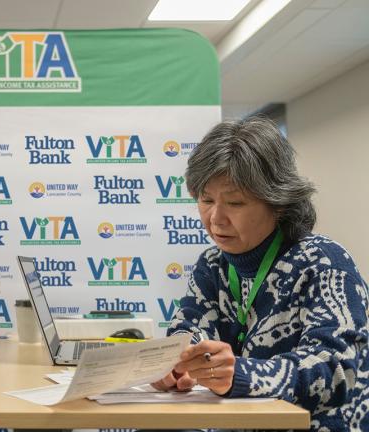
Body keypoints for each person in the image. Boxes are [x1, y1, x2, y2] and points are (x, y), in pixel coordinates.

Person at [152, 117, 369, 431]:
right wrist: (173, 366)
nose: (215, 219)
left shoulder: (325, 262)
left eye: (235, 202)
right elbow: (187, 332)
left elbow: (337, 370)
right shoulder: (213, 265)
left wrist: (239, 374)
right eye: (206, 200)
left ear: (278, 203)